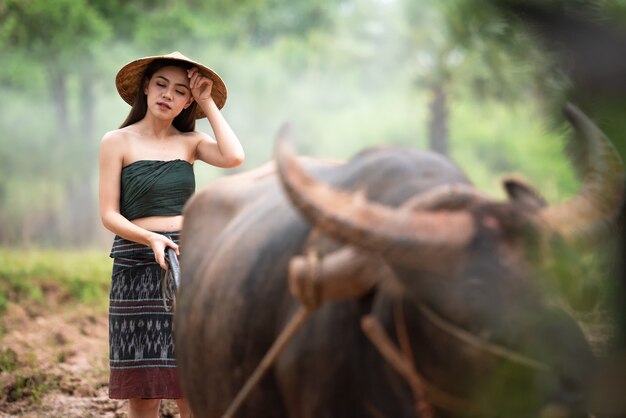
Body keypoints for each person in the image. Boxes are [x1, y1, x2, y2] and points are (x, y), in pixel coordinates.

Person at [99, 51, 244, 418]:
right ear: (146, 87)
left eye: (180, 91)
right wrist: (150, 239)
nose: (168, 94)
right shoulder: (117, 141)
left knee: (189, 385)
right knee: (144, 390)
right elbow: (109, 214)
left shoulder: (189, 143)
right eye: (161, 84)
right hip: (136, 263)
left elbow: (234, 157)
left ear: (187, 102)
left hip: (187, 261)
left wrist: (208, 102)